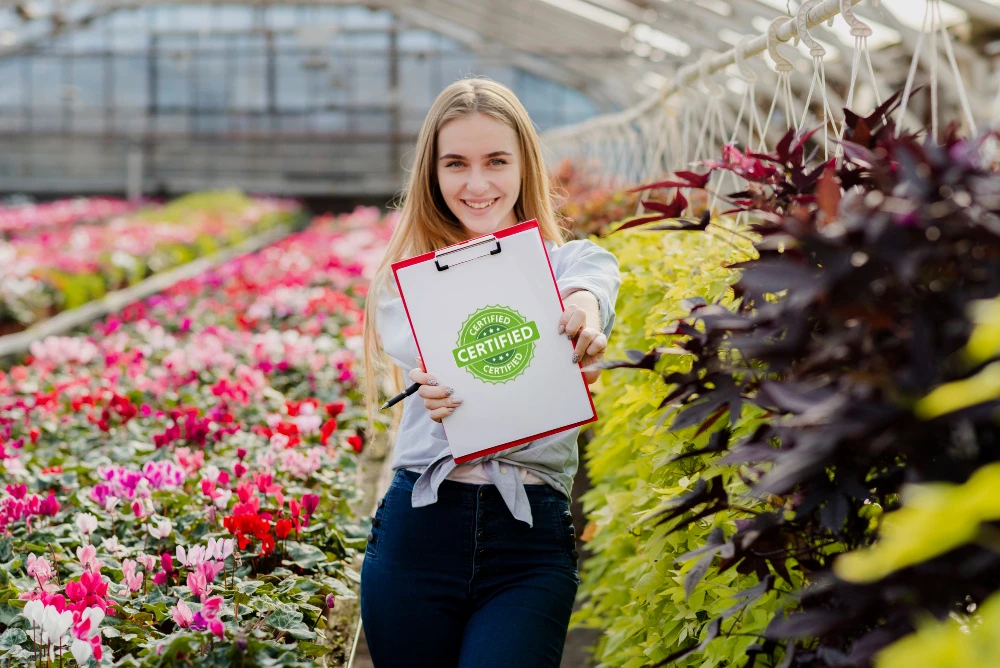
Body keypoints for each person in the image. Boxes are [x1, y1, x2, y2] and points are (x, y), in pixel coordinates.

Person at [360, 77, 621, 668]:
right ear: (432, 174)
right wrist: (439, 388)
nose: (477, 185)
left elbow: (596, 271)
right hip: (417, 537)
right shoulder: (408, 288)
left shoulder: (566, 267)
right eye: (456, 164)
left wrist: (580, 310)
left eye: (497, 161)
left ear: (525, 166)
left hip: (528, 547)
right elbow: (434, 353)